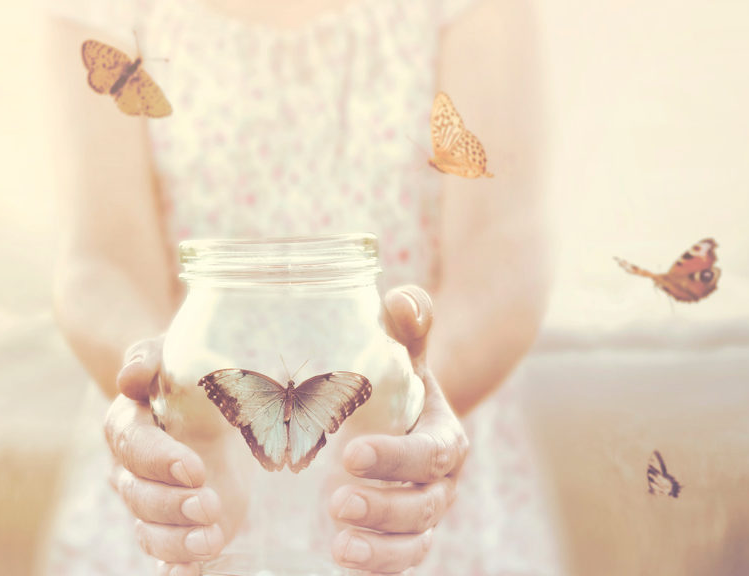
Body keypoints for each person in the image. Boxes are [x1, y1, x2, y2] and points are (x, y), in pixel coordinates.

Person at [45, 0, 559, 574]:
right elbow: (102, 257)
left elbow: (502, 246)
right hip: (183, 477)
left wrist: (398, 408)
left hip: (407, 483)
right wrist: (171, 398)